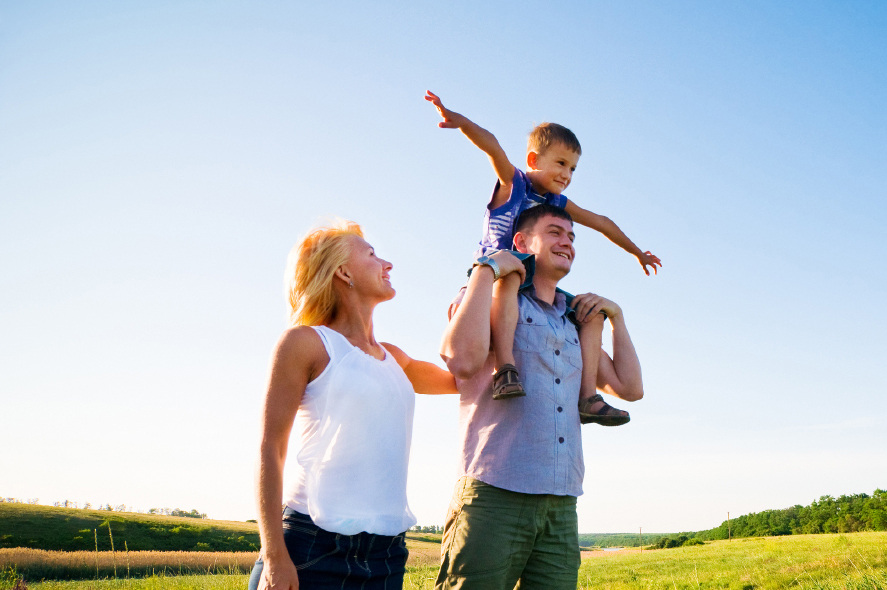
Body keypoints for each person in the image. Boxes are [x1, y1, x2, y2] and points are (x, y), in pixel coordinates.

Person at [250, 219, 469, 590]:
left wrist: (475, 301)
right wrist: (274, 555)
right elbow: (270, 449)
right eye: (372, 254)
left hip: (385, 554)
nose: (387, 264)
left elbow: (467, 379)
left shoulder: (395, 359)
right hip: (311, 544)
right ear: (343, 271)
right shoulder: (306, 343)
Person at [435, 204, 645, 590]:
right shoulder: (490, 296)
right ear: (521, 242)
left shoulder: (575, 321)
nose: (566, 241)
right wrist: (487, 270)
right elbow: (461, 360)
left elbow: (631, 389)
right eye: (554, 232)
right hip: (495, 493)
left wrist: (617, 316)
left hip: (562, 502)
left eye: (571, 236)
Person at [425, 90, 655, 426]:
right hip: (498, 270)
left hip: (532, 280)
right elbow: (493, 145)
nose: (567, 174)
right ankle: (506, 368)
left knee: (589, 314)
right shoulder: (514, 182)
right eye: (561, 163)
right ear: (534, 160)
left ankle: (588, 396)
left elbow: (601, 222)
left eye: (573, 168)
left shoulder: (558, 203)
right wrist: (460, 122)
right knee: (513, 273)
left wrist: (636, 252)